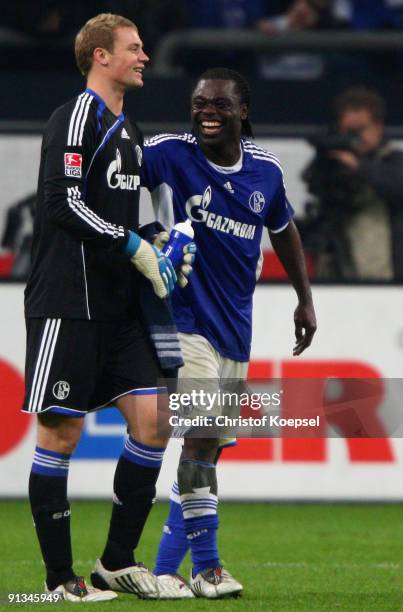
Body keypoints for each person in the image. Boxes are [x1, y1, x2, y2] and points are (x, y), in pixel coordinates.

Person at [21, 13, 193, 602]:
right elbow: (61, 203)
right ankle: (58, 580)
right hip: (67, 303)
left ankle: (116, 563)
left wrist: (158, 239)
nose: (145, 56)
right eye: (135, 48)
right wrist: (133, 244)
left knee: (154, 423)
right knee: (60, 434)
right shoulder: (74, 118)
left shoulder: (129, 128)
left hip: (121, 309)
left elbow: (119, 219)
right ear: (101, 56)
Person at [141, 67, 317, 598]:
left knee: (209, 448)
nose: (206, 113)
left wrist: (304, 298)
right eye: (199, 104)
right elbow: (113, 179)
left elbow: (284, 231)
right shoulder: (168, 152)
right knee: (198, 433)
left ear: (243, 111)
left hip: (234, 327)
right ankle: (192, 568)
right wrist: (145, 234)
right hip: (182, 318)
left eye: (218, 105)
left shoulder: (265, 171)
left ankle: (187, 570)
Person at [303, 87, 403, 281]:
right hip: (342, 270)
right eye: (349, 131)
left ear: (378, 126)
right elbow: (312, 183)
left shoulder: (395, 160)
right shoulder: (334, 164)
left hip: (390, 276)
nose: (355, 138)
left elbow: (400, 186)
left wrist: (359, 166)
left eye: (361, 130)